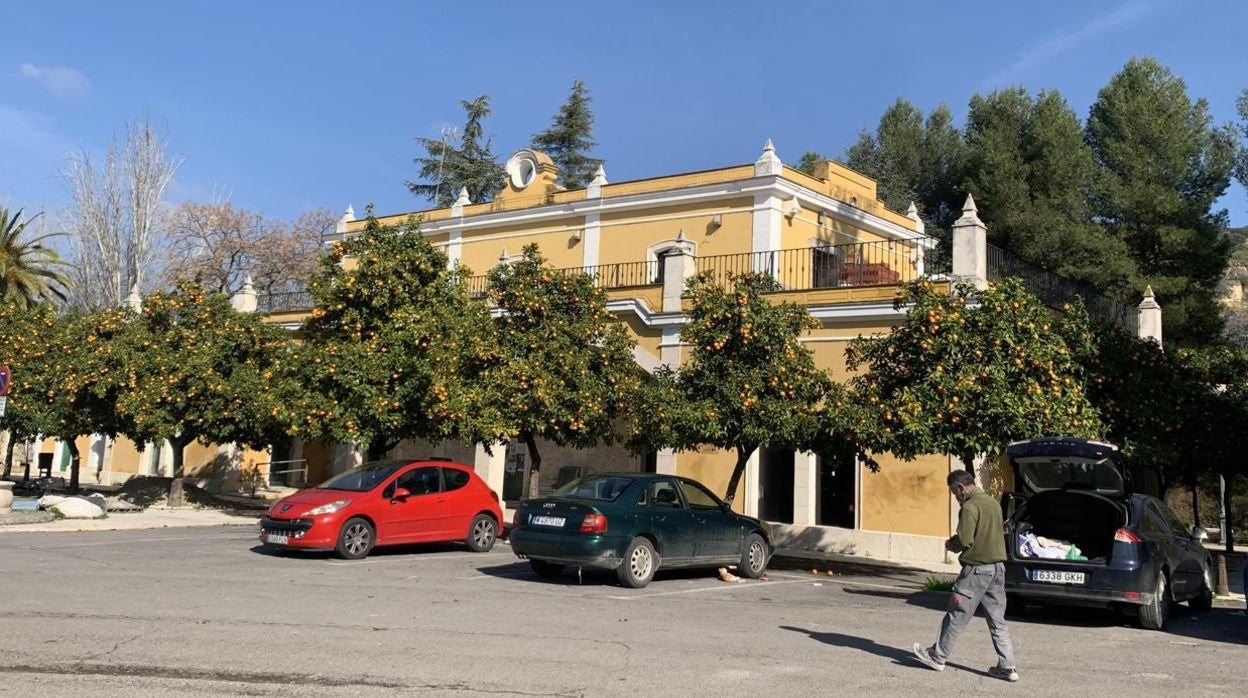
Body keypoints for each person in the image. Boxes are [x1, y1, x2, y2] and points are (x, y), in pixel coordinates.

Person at [912, 470, 1018, 682]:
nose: (955, 496)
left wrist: (952, 544)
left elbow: (966, 539)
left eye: (954, 492)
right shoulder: (993, 503)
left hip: (976, 571)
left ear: (961, 487)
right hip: (997, 569)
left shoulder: (969, 507)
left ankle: (937, 656)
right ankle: (1007, 667)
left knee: (957, 613)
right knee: (997, 620)